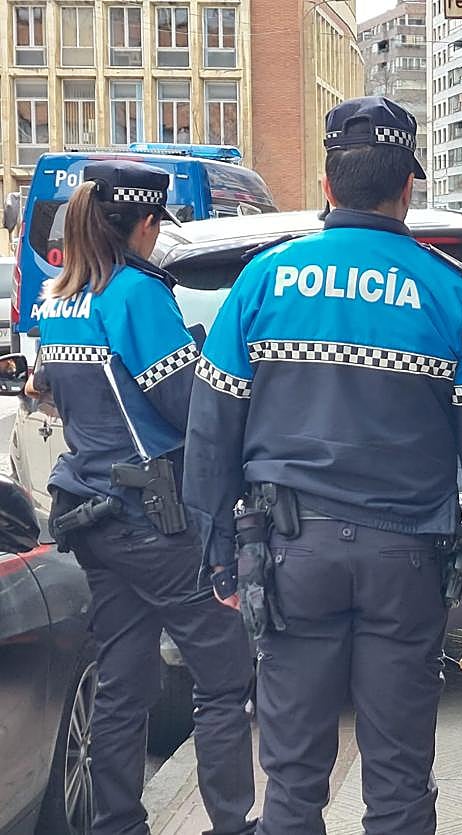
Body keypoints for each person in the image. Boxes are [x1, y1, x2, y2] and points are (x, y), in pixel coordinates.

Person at [183, 95, 462, 835]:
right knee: (400, 780)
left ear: (327, 184)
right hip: (405, 561)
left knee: (293, 778)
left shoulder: (263, 281)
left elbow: (211, 429)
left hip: (288, 557)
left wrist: (215, 552)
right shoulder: (451, 291)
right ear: (408, 185)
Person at [30, 160, 256, 835]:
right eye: (158, 226)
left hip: (92, 511)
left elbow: (57, 393)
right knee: (223, 670)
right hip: (154, 517)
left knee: (123, 682)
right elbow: (188, 407)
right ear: (144, 222)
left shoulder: (62, 297)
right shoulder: (135, 295)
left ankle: (117, 823)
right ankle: (232, 824)